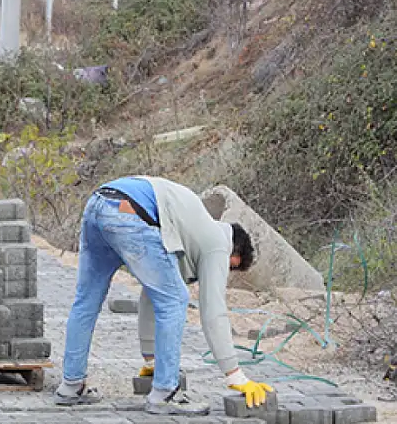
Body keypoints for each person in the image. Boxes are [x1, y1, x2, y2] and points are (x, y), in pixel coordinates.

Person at [55, 176, 271, 416]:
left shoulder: (190, 228)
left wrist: (151, 360)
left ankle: (71, 386)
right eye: (231, 267)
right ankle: (165, 393)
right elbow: (213, 311)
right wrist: (235, 375)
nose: (225, 272)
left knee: (86, 300)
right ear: (235, 249)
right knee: (176, 299)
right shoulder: (219, 242)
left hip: (99, 203)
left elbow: (152, 293)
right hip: (131, 214)